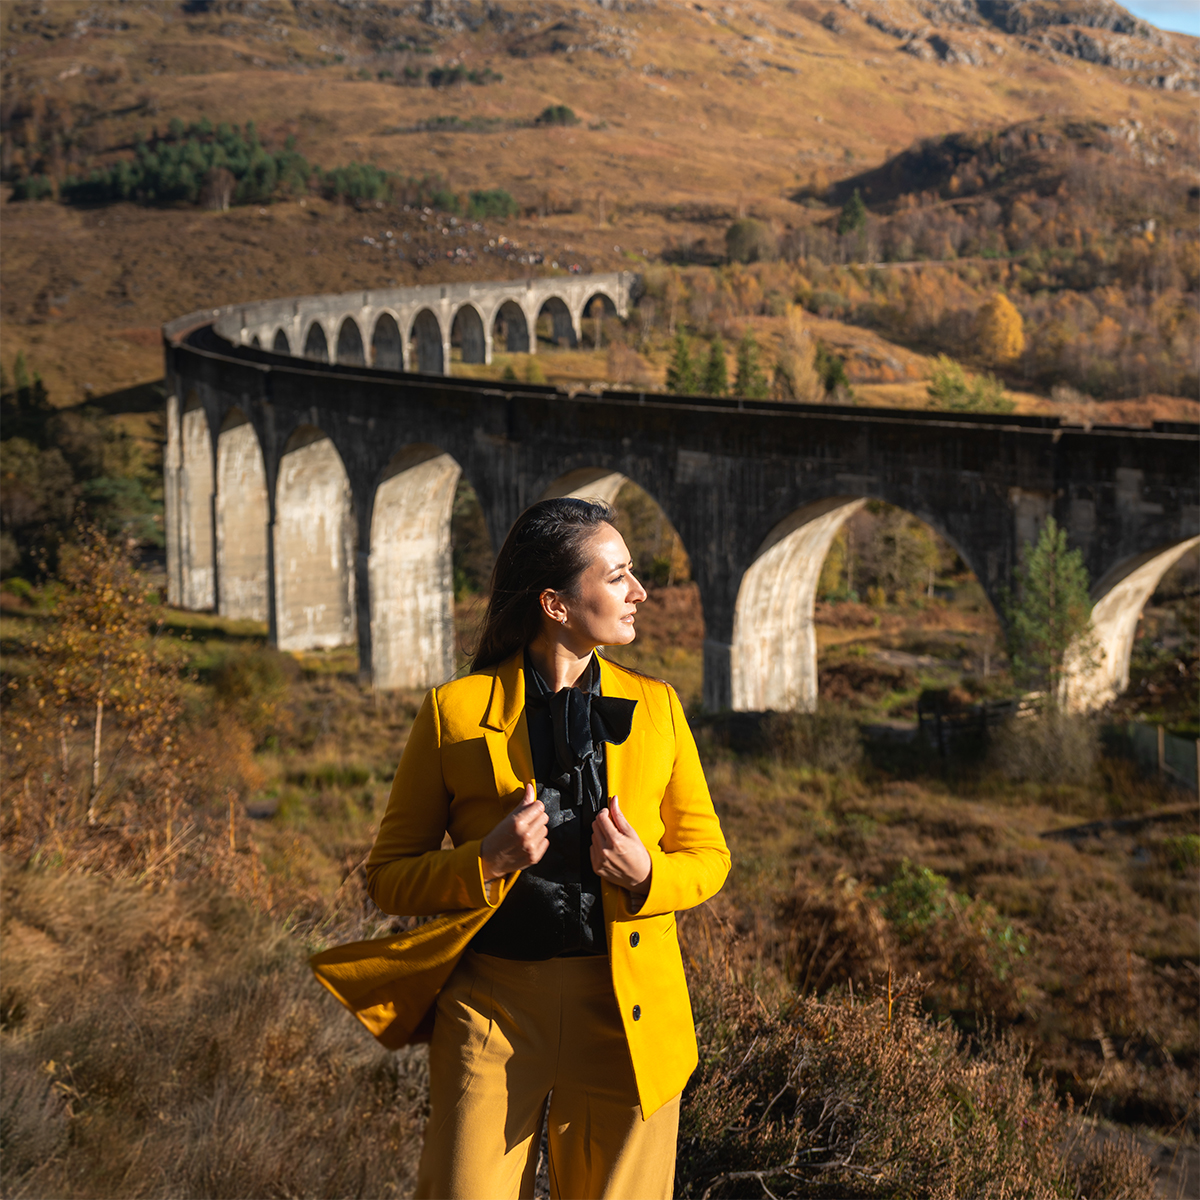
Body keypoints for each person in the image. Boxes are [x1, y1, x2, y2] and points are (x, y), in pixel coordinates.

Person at [315, 497, 729, 1200]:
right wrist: (486, 860)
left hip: (629, 1018)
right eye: (619, 576)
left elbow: (710, 857)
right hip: (492, 1014)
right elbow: (387, 879)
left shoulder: (658, 708)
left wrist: (648, 873)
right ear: (556, 604)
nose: (641, 592)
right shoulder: (453, 712)